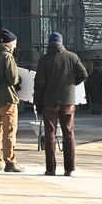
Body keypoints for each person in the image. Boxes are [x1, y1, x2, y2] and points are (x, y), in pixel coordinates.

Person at [33, 32, 88, 177]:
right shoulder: (72, 57)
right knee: (68, 134)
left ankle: (50, 169)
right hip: (67, 101)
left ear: (49, 43)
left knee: (50, 134)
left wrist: (37, 103)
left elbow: (39, 84)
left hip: (48, 101)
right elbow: (83, 74)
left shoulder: (44, 60)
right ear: (61, 43)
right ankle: (69, 169)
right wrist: (71, 84)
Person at [0, 29, 23, 172]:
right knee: (9, 131)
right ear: (9, 43)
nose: (15, 46)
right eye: (14, 43)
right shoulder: (7, 56)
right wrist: (19, 79)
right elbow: (13, 78)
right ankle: (10, 162)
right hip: (7, 99)